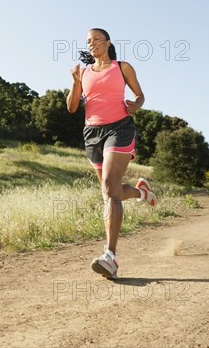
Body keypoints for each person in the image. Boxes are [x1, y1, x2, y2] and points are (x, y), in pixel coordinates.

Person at [66, 28, 157, 280]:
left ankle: (110, 256)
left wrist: (135, 105)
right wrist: (75, 83)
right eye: (88, 41)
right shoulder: (83, 73)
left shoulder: (122, 67)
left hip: (120, 128)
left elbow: (140, 95)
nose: (91, 43)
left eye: (96, 39)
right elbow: (72, 107)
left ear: (107, 43)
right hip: (91, 133)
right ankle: (141, 192)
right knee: (113, 192)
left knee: (108, 187)